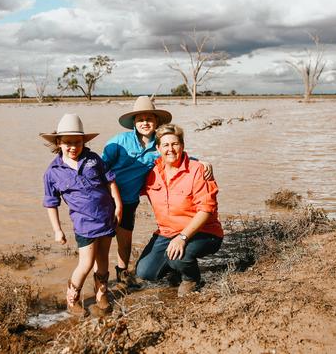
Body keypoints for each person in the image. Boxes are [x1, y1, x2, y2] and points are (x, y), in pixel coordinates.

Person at [102, 96, 213, 290]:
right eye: (140, 119)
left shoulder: (159, 144)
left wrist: (201, 161)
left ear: (156, 122)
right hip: (107, 197)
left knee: (124, 241)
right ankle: (101, 281)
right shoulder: (119, 142)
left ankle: (122, 274)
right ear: (134, 123)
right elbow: (101, 168)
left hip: (129, 201)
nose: (145, 122)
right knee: (101, 241)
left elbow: (175, 156)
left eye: (149, 119)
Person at [41, 113, 122, 316]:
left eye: (77, 142)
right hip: (84, 224)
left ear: (83, 141)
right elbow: (51, 203)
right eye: (67, 142)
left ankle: (100, 293)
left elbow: (110, 180)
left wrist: (118, 205)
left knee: (103, 258)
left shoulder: (93, 159)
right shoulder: (52, 172)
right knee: (85, 263)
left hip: (106, 217)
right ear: (58, 142)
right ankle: (73, 298)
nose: (73, 147)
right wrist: (57, 230)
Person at [135, 124, 223, 297]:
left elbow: (205, 210)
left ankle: (192, 278)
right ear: (158, 148)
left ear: (182, 145)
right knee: (145, 272)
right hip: (166, 233)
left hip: (203, 232)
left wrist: (182, 237)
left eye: (175, 144)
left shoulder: (198, 170)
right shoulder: (151, 172)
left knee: (178, 257)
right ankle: (175, 269)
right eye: (165, 145)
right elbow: (125, 181)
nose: (170, 149)